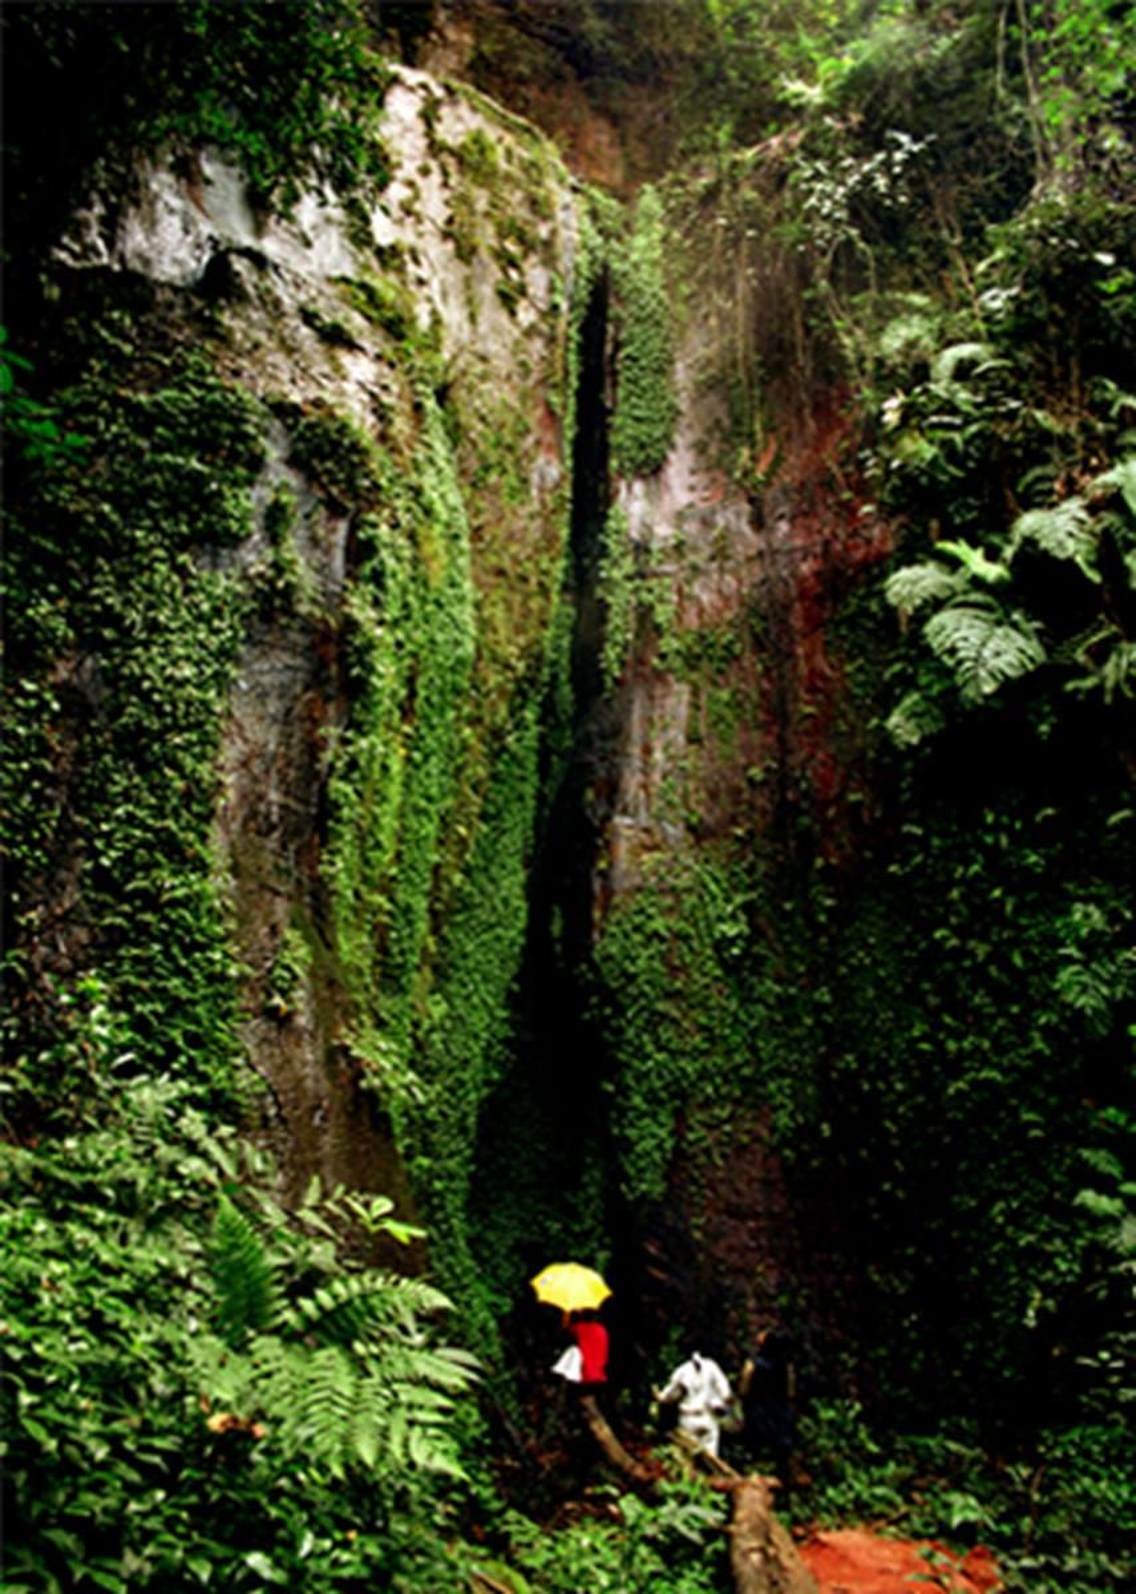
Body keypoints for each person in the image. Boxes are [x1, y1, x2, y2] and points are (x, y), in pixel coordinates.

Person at [739, 1326, 795, 1493]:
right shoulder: (786, 1365)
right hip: (780, 1410)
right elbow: (791, 1391)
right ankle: (782, 1484)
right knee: (780, 1450)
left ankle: (752, 1479)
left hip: (758, 1409)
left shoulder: (752, 1364)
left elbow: (744, 1388)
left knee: (754, 1447)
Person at [654, 1349, 733, 1458]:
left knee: (689, 1457)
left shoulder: (681, 1371)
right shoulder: (712, 1367)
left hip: (688, 1419)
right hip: (707, 1417)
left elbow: (667, 1397)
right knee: (711, 1457)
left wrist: (659, 1396)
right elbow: (726, 1394)